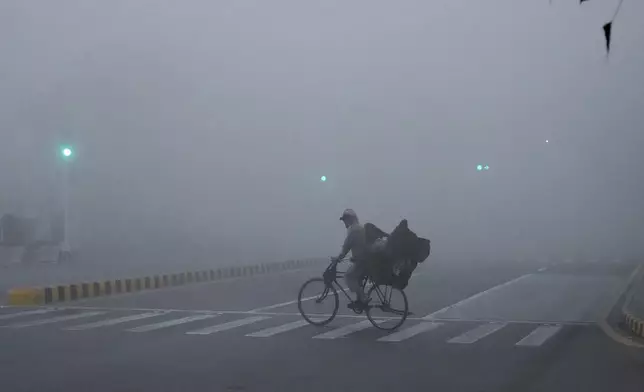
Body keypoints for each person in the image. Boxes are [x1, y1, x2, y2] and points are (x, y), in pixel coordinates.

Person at [331, 208, 369, 309]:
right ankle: (359, 300)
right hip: (364, 259)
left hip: (362, 261)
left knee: (349, 276)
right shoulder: (360, 227)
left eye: (345, 219)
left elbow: (346, 247)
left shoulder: (354, 230)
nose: (344, 222)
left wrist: (338, 258)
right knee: (356, 277)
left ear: (351, 219)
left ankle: (363, 298)